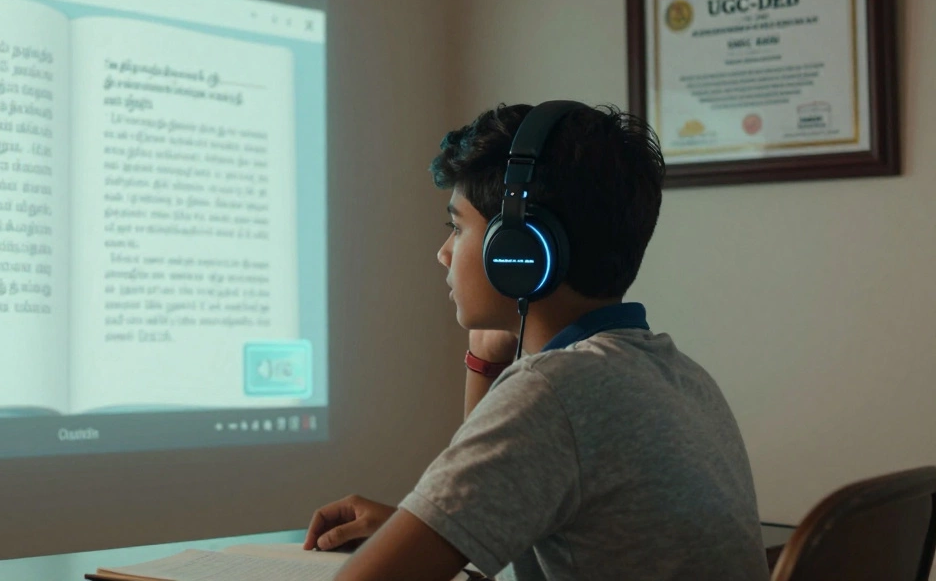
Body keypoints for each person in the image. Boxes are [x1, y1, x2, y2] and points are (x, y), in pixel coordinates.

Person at [304, 102, 768, 581]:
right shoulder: (679, 376)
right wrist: (431, 529)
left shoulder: (555, 392)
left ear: (519, 249)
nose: (443, 254)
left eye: (457, 227)